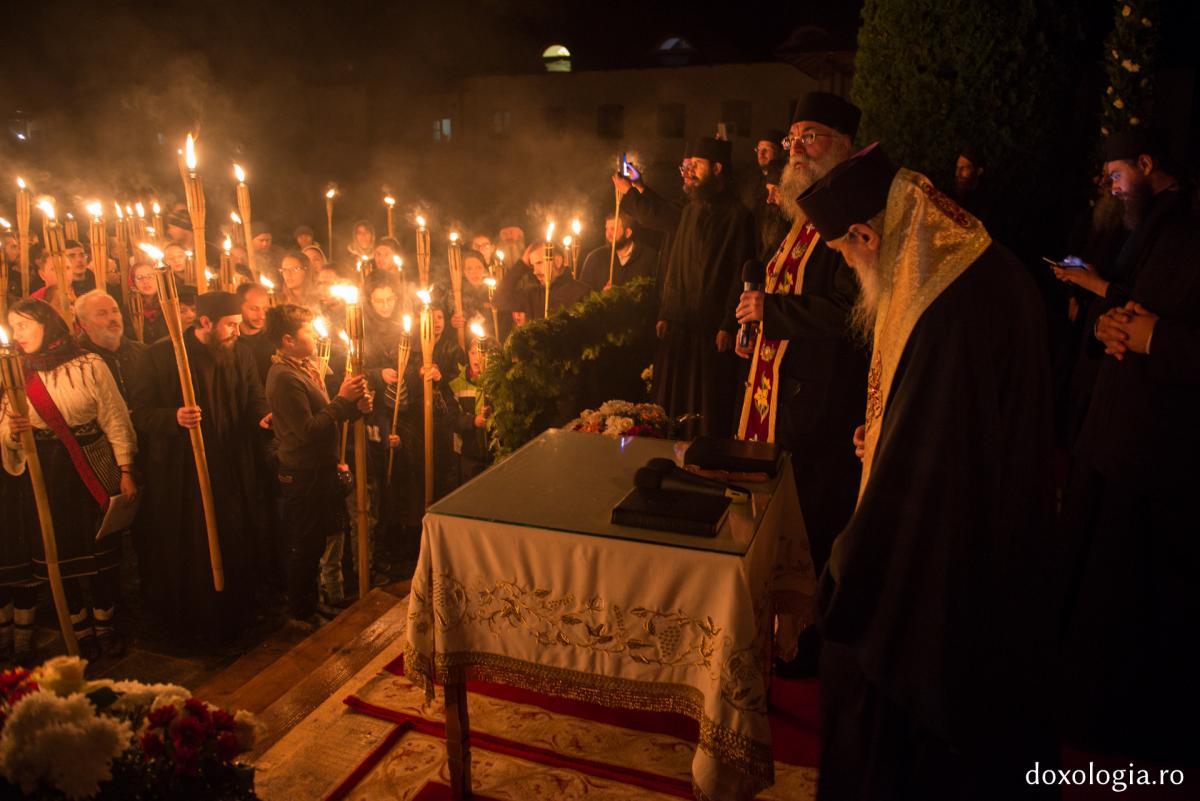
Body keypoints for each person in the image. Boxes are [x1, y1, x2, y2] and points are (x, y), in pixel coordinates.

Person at [798, 144, 1057, 799]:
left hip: (949, 599)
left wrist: (840, 576)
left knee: (859, 669)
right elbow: (937, 425)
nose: (852, 269)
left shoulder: (942, 307)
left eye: (846, 255)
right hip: (1001, 539)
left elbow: (918, 494)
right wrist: (885, 436)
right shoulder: (960, 260)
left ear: (865, 233)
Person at [1056, 128, 1200, 767]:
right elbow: (1138, 303)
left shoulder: (1184, 226)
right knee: (1095, 585)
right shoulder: (1160, 227)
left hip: (1158, 453)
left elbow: (1166, 327)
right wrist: (1115, 324)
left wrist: (1153, 338)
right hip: (1116, 435)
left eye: (1118, 175)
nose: (1113, 189)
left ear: (1149, 165)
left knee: (1132, 597)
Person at [733, 92, 868, 579]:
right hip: (778, 395)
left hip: (822, 405)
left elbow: (850, 312)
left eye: (810, 138)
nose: (796, 148)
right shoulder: (804, 213)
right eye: (794, 138)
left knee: (808, 526)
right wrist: (757, 326)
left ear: (844, 145)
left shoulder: (853, 211)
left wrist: (773, 311)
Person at [1, 299, 139, 661]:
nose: (19, 334)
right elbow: (3, 427)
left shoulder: (89, 364)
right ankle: (78, 627)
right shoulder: (14, 373)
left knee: (100, 550)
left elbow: (115, 417)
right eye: (13, 327)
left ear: (47, 324)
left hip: (90, 464)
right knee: (61, 553)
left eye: (24, 325)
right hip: (44, 471)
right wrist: (13, 432)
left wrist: (125, 470)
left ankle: (105, 623)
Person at [130, 291, 270, 642]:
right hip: (185, 472)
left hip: (232, 463)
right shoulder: (160, 356)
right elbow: (141, 413)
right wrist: (173, 417)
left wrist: (264, 416)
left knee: (235, 536)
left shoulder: (241, 353)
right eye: (230, 325)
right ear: (205, 323)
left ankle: (237, 613)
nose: (237, 332)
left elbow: (254, 396)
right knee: (192, 544)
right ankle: (195, 623)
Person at [264, 304, 370, 628]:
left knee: (318, 541)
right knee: (305, 545)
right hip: (302, 473)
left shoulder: (306, 367)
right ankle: (300, 613)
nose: (314, 335)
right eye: (307, 332)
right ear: (287, 340)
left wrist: (355, 407)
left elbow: (328, 415)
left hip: (320, 469)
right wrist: (342, 399)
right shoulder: (283, 377)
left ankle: (312, 604)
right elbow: (308, 429)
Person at [651, 136, 755, 438]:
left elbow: (739, 272)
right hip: (680, 327)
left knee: (707, 408)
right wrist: (666, 312)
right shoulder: (688, 211)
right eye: (686, 166)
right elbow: (675, 266)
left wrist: (728, 323)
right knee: (673, 402)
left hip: (712, 332)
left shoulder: (739, 216)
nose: (688, 171)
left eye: (696, 165)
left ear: (718, 167)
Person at [76, 290, 146, 404]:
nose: (112, 318)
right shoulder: (78, 362)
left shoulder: (142, 352)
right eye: (102, 313)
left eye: (115, 311)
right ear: (85, 324)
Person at [577, 214, 658, 293]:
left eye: (613, 229)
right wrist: (602, 296)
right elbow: (583, 295)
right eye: (606, 229)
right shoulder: (595, 258)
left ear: (628, 233)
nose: (608, 234)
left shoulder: (649, 257)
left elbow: (655, 293)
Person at [742, 129, 789, 260]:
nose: (761, 154)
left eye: (766, 150)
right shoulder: (750, 182)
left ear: (780, 152)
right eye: (759, 150)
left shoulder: (786, 181)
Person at [523, 243, 589, 319]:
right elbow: (508, 298)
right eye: (533, 266)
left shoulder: (581, 292)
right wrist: (522, 263)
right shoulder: (534, 294)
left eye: (539, 263)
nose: (535, 272)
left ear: (557, 261)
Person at [236, 282, 274, 384]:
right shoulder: (230, 339)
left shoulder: (274, 339)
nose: (262, 316)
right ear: (239, 307)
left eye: (265, 309)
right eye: (254, 309)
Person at [952, 148, 995, 226]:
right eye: (957, 167)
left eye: (964, 168)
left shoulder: (987, 200)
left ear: (978, 171)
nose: (958, 173)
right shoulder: (955, 189)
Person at [127, 262, 168, 344]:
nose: (145, 281)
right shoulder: (129, 309)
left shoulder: (169, 305)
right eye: (139, 278)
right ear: (133, 282)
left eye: (150, 276)